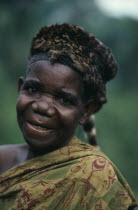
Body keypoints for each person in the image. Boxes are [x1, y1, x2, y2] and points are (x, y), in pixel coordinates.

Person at [0, 23, 137, 210]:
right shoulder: (2, 159)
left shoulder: (94, 178)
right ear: (20, 88)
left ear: (86, 111)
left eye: (64, 100)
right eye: (33, 89)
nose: (42, 107)